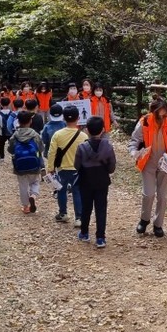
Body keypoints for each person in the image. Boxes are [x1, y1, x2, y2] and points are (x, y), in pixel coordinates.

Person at [128, 96, 167, 238]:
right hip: (149, 162)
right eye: (158, 112)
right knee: (149, 193)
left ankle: (158, 224)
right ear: (152, 111)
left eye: (164, 112)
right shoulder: (145, 121)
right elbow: (134, 141)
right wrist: (134, 152)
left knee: (163, 197)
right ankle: (144, 219)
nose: (161, 115)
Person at [75, 116, 117, 248]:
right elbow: (111, 168)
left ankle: (84, 233)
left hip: (85, 180)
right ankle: (100, 238)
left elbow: (76, 166)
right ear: (103, 130)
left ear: (87, 130)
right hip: (102, 181)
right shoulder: (108, 147)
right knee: (101, 209)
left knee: (86, 207)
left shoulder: (81, 147)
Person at [47, 105, 87, 226]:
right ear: (78, 118)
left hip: (62, 168)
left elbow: (52, 152)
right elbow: (86, 154)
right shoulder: (83, 136)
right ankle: (79, 218)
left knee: (61, 191)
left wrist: (50, 167)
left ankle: (63, 213)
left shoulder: (58, 134)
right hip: (78, 169)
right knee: (77, 192)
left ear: (64, 118)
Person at [7, 111, 45, 214]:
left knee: (23, 185)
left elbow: (10, 150)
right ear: (30, 121)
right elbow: (41, 148)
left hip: (19, 165)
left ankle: (26, 207)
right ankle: (33, 195)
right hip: (34, 163)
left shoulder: (15, 135)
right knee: (35, 182)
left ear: (18, 121)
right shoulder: (35, 134)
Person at [0, 95, 14, 162]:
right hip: (11, 132)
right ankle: (13, 155)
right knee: (12, 144)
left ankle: (2, 157)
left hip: (2, 132)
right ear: (9, 103)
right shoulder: (12, 113)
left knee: (1, 145)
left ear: (1, 104)